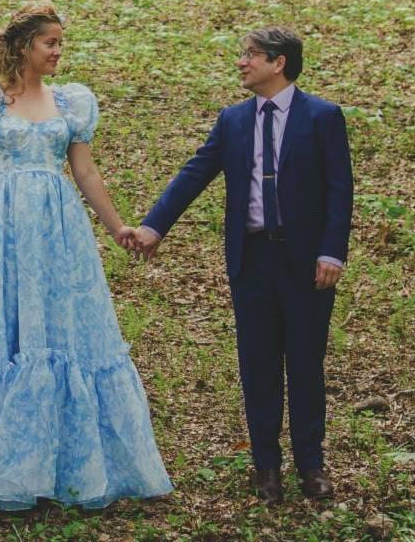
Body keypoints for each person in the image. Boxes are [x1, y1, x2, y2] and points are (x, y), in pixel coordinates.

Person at [0, 0, 172, 512]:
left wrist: (117, 225)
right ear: (23, 48)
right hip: (3, 229)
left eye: (60, 42)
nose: (59, 51)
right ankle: (5, 470)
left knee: (63, 332)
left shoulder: (70, 103)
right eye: (50, 42)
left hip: (59, 233)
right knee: (8, 334)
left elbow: (85, 173)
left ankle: (68, 468)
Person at [122, 26, 353, 506]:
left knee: (306, 364)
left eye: (251, 55)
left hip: (307, 262)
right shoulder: (233, 121)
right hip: (252, 261)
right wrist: (153, 227)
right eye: (242, 54)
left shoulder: (323, 117)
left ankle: (312, 465)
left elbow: (339, 190)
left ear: (279, 63)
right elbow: (195, 173)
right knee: (258, 366)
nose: (241, 62)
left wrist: (332, 251)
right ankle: (265, 468)